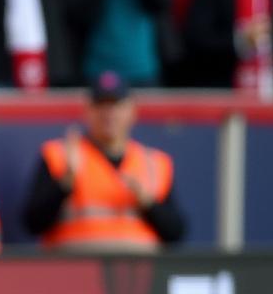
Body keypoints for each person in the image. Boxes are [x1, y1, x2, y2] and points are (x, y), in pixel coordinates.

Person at [22, 72, 185, 251]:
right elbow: (32, 224)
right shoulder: (59, 156)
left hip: (139, 273)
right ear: (88, 110)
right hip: (74, 271)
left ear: (132, 111)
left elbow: (176, 233)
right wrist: (64, 184)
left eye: (116, 105)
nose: (109, 114)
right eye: (101, 105)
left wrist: (148, 203)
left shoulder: (154, 163)